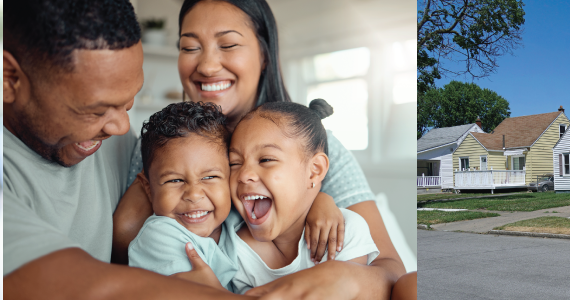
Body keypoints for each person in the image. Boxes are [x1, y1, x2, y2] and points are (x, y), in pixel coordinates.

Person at [113, 0, 411, 297]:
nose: (206, 66)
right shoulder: (160, 146)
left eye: (228, 45)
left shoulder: (315, 144)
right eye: (190, 48)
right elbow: (122, 246)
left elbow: (392, 272)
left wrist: (339, 269)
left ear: (264, 55)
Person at [2, 0, 251, 298]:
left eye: (128, 102)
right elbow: (73, 285)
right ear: (9, 78)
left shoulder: (111, 139)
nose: (121, 127)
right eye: (95, 110)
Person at [225, 99, 378, 293]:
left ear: (314, 171)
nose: (244, 174)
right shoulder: (233, 251)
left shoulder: (345, 233)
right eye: (234, 163)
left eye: (266, 159)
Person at [126, 101, 239, 290]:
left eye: (210, 177)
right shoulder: (159, 236)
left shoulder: (234, 219)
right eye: (175, 180)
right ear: (148, 188)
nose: (194, 195)